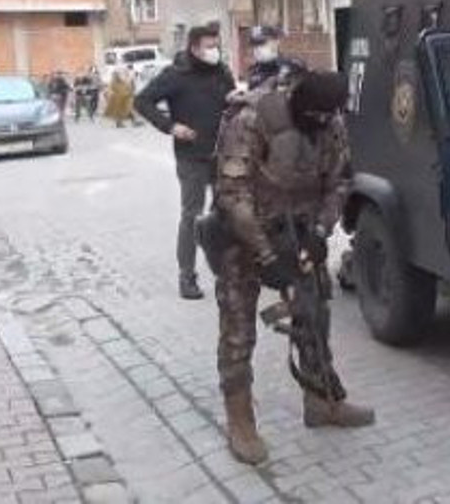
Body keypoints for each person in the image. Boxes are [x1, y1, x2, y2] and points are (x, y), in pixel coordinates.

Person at [212, 71, 374, 465]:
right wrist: (266, 257)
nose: (321, 123)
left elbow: (339, 181)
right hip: (244, 235)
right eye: (314, 115)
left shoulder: (330, 122)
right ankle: (240, 420)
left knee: (314, 318)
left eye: (327, 116)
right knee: (238, 330)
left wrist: (320, 233)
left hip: (300, 234)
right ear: (298, 101)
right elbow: (233, 194)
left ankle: (322, 401)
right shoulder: (252, 118)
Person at [135, 25, 236, 300]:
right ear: (194, 48)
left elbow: (230, 103)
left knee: (227, 213)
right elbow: (141, 101)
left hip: (223, 154)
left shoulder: (222, 72)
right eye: (209, 46)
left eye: (217, 45)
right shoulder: (176, 75)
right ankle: (187, 276)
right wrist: (170, 126)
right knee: (192, 214)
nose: (214, 51)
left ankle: (229, 271)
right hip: (191, 156)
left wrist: (233, 101)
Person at [245, 26, 306, 91]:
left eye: (262, 43)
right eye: (255, 45)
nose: (257, 49)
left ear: (276, 42)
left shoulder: (292, 67)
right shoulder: (254, 70)